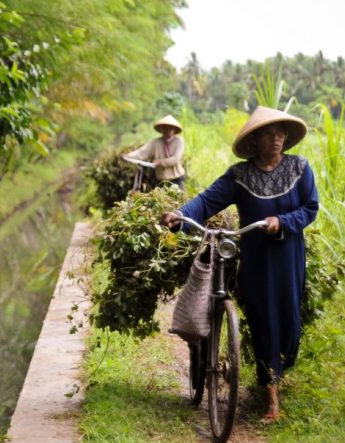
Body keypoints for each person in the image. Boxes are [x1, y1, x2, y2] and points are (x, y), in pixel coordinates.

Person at [160, 106, 319, 423]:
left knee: (288, 320)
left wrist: (282, 221)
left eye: (280, 133)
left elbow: (310, 208)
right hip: (257, 261)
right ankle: (271, 397)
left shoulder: (301, 168)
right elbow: (206, 201)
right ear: (255, 140)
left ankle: (280, 369)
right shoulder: (240, 175)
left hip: (288, 259)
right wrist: (180, 216)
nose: (276, 138)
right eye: (268, 134)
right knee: (263, 321)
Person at [122, 114, 187, 190]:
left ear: (174, 129)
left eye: (170, 128)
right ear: (161, 129)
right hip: (161, 180)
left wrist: (160, 162)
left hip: (177, 179)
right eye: (164, 127)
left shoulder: (179, 141)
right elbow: (142, 152)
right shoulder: (155, 142)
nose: (167, 130)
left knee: (180, 199)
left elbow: (176, 159)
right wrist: (127, 156)